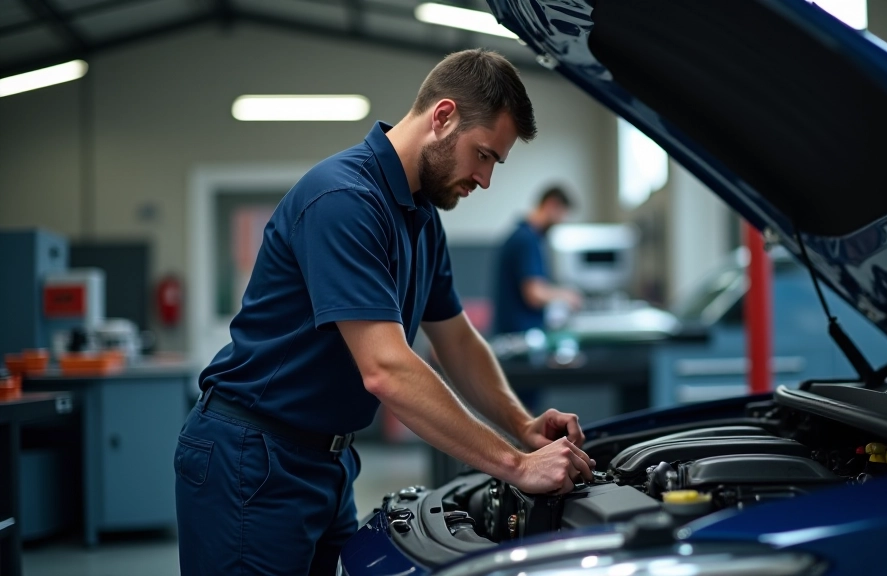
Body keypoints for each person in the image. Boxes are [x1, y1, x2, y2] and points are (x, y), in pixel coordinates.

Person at [175, 49, 595, 576]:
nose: (485, 180)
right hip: (253, 459)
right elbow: (387, 369)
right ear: (442, 117)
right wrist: (516, 466)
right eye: (483, 155)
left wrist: (523, 425)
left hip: (325, 463)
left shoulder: (422, 218)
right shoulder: (344, 199)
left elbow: (458, 341)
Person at [492, 186, 582, 334]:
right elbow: (534, 294)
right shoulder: (527, 240)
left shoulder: (523, 236)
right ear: (552, 205)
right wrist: (567, 295)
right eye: (561, 216)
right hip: (520, 335)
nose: (560, 223)